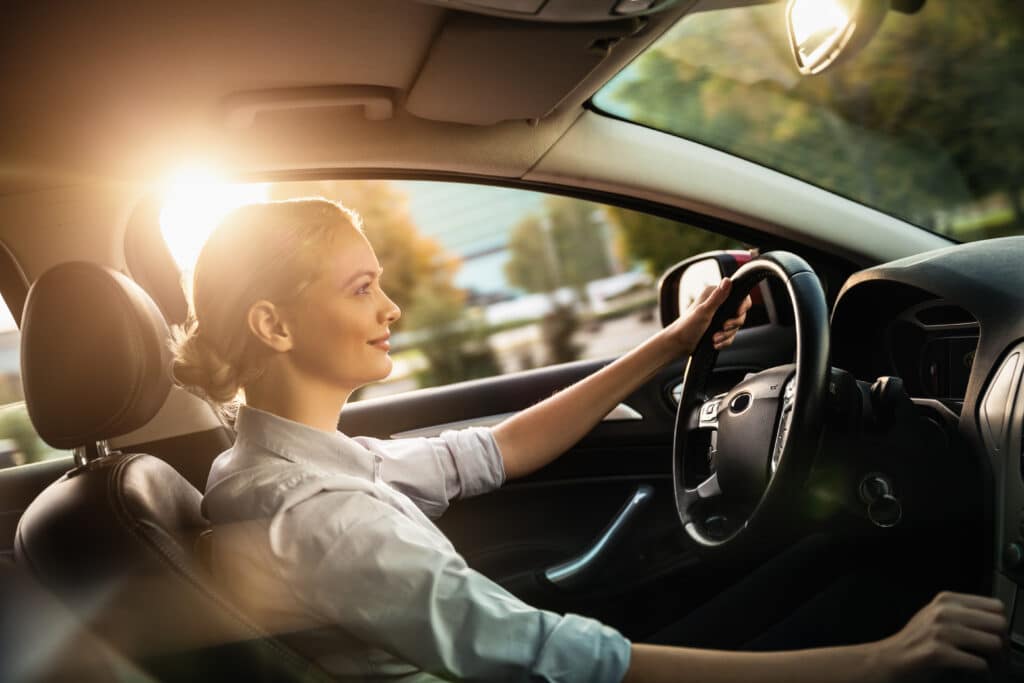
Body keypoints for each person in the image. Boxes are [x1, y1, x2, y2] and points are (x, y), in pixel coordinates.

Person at [171, 198, 1006, 682]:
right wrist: (876, 662)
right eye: (363, 288)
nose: (391, 308)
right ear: (273, 323)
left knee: (832, 553)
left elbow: (492, 451)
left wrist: (673, 344)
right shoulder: (320, 517)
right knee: (882, 596)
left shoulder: (268, 464)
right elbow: (554, 658)